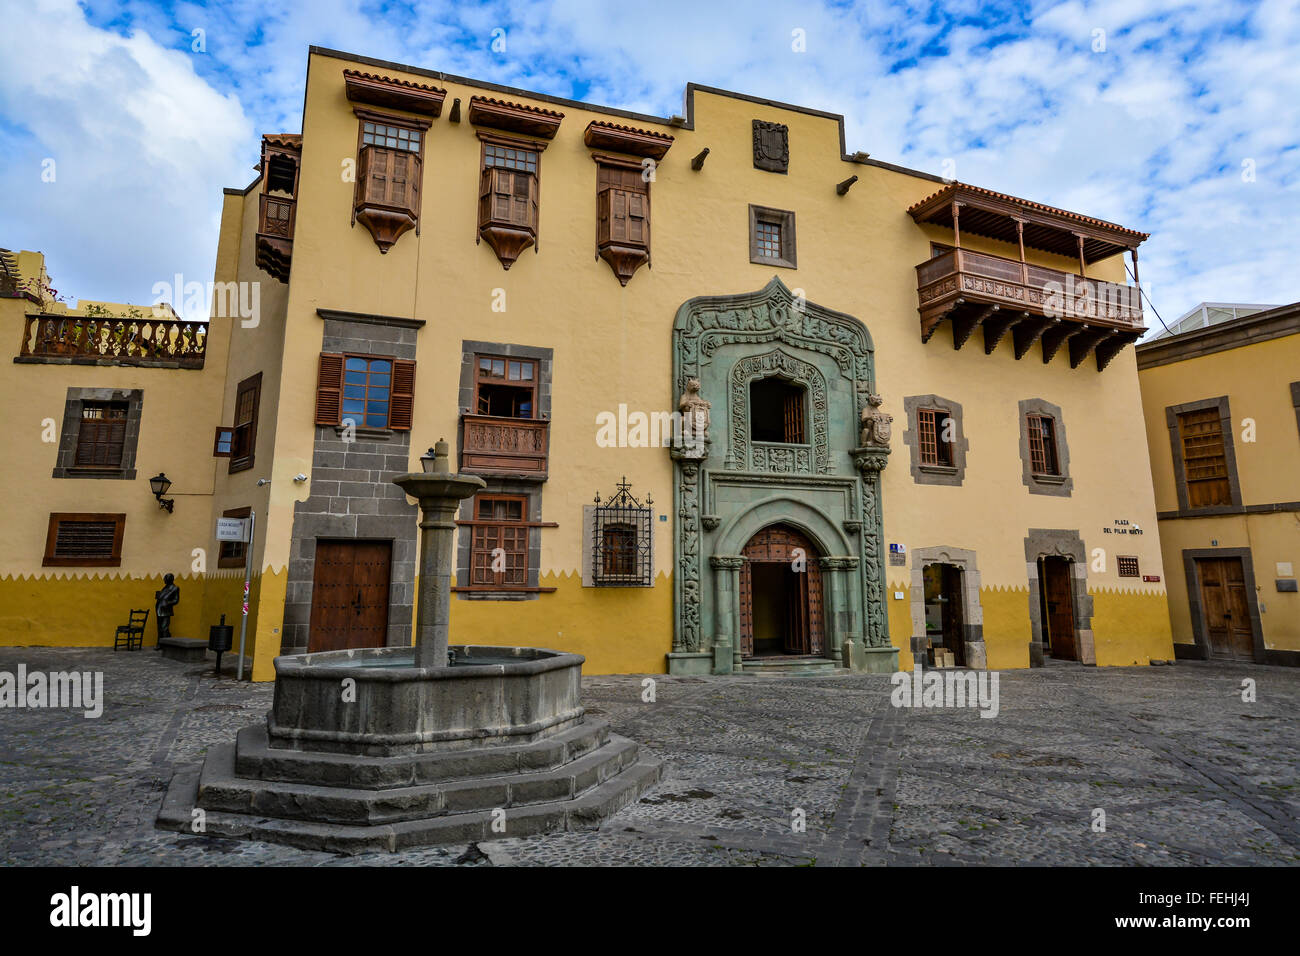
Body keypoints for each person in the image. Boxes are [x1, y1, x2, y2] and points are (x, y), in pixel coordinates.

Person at [155, 573, 180, 641]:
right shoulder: (165, 587)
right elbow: (163, 597)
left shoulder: (175, 588)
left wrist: (167, 603)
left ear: (169, 579)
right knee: (160, 628)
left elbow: (176, 600)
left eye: (165, 578)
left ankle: (165, 644)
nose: (164, 580)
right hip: (159, 610)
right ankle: (160, 643)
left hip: (166, 611)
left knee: (164, 628)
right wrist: (159, 596)